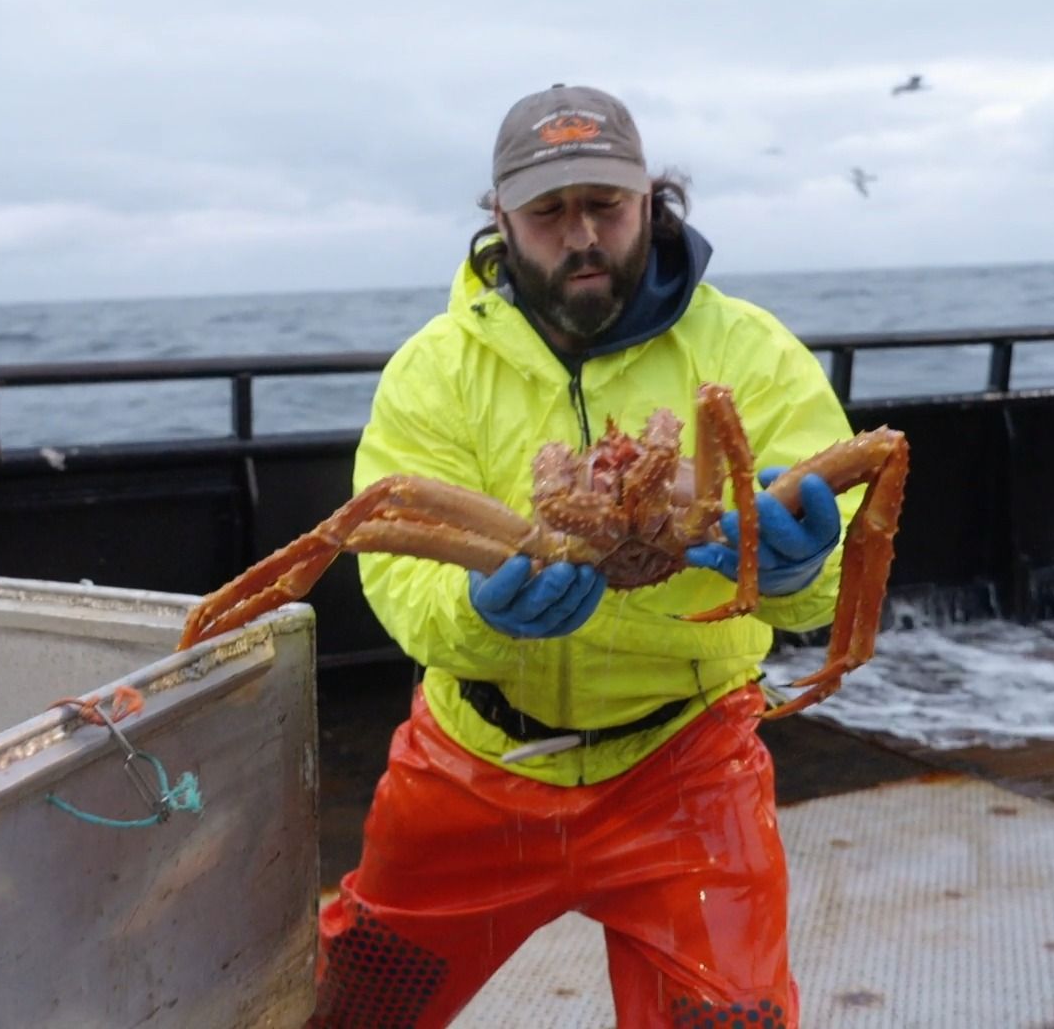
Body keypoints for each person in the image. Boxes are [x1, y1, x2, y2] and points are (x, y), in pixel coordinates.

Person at [308, 84, 857, 1029]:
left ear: (653, 199)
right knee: (354, 1008)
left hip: (689, 763)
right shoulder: (435, 370)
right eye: (550, 211)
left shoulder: (750, 354)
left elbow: (841, 552)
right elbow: (392, 564)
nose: (582, 235)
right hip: (472, 763)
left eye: (605, 204)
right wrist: (478, 616)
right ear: (502, 219)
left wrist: (805, 571)